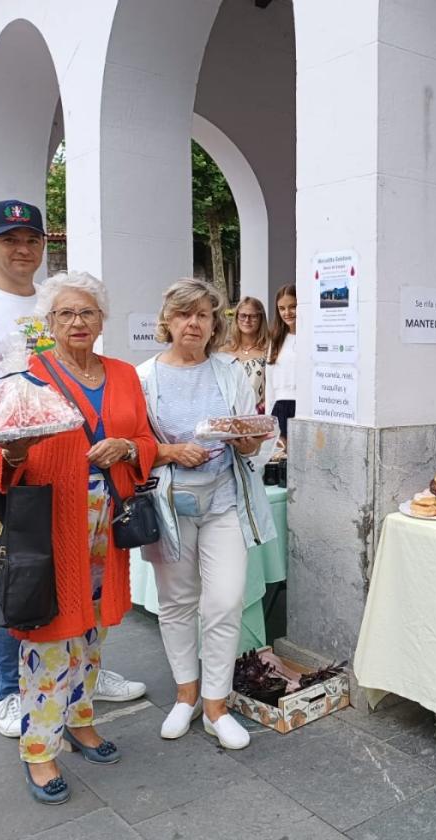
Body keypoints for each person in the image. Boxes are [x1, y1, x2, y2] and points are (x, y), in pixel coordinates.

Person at [0, 199, 146, 741]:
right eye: (8, 239)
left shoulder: (54, 301)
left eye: (31, 239)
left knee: (65, 577)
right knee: (13, 577)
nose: (21, 249)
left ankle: (78, 674)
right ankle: (8, 691)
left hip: (66, 468)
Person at [0, 271, 157, 804]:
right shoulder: (27, 379)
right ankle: (40, 750)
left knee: (92, 634)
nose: (77, 322)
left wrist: (127, 448)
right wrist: (13, 455)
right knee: (50, 639)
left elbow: (147, 438)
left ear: (102, 320)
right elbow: (0, 462)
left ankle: (81, 722)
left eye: (87, 312)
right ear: (49, 323)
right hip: (52, 526)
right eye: (65, 314)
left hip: (108, 523)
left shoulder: (126, 375)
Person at [137, 278, 276, 751]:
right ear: (167, 321)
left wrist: (250, 441)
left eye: (202, 314)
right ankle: (186, 694)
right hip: (171, 503)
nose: (192, 323)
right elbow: (135, 446)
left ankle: (217, 704)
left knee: (224, 599)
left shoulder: (229, 370)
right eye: (183, 314)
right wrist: (171, 451)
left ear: (215, 322)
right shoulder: (144, 377)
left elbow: (251, 430)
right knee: (176, 603)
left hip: (224, 502)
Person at [220, 296, 270, 412]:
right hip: (227, 415)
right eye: (243, 315)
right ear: (236, 317)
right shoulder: (224, 350)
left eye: (253, 316)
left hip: (259, 416)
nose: (247, 320)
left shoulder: (270, 350)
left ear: (261, 318)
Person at [264, 284, 297, 443]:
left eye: (292, 307)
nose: (287, 312)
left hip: (304, 408)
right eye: (282, 308)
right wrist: (268, 419)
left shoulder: (312, 338)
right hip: (280, 408)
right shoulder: (276, 340)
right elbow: (270, 382)